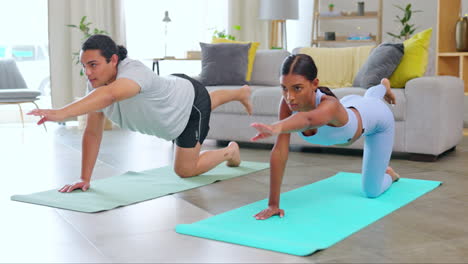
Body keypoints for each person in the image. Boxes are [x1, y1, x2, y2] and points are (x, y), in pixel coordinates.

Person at [28, 34, 253, 193]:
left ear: (113, 60)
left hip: (189, 101)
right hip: (176, 94)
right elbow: (93, 133)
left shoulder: (132, 72)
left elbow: (111, 95)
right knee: (204, 101)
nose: (88, 72)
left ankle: (230, 151)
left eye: (93, 65)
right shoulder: (94, 88)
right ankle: (240, 93)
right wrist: (84, 178)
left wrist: (60, 112)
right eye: (85, 66)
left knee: (185, 170)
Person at [250, 54, 400, 220]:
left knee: (371, 191)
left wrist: (276, 127)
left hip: (377, 119)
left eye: (297, 88)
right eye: (284, 88)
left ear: (315, 84)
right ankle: (381, 88)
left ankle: (389, 175)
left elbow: (307, 119)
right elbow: (279, 152)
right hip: (352, 105)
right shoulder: (288, 103)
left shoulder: (330, 105)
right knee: (367, 100)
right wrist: (273, 204)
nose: (289, 96)